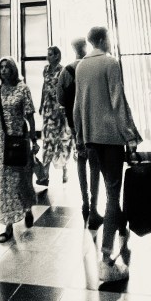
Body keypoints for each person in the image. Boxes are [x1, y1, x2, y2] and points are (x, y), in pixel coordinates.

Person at [73, 25, 142, 284]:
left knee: (108, 188)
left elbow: (78, 106)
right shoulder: (110, 63)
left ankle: (120, 228)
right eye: (109, 38)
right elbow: (118, 101)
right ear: (102, 39)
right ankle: (105, 260)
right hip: (111, 138)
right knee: (113, 193)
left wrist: (80, 137)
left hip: (90, 139)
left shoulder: (81, 66)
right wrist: (131, 136)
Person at [0, 56, 38, 243]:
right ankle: (8, 225)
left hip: (19, 138)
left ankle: (27, 207)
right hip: (2, 140)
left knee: (21, 178)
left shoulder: (23, 89)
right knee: (4, 182)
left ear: (13, 69)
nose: (4, 70)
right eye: (1, 68)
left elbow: (30, 115)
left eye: (7, 67)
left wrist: (33, 138)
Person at [57, 37, 103, 228]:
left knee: (81, 160)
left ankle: (84, 201)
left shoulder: (66, 71)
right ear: (86, 47)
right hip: (93, 121)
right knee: (95, 164)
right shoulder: (92, 67)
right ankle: (94, 205)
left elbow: (60, 98)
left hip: (75, 123)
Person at [37, 45, 74, 187]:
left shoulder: (63, 70)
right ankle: (45, 173)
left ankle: (65, 168)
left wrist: (63, 106)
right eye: (48, 54)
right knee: (47, 139)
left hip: (58, 109)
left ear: (57, 56)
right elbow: (44, 87)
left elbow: (65, 90)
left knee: (61, 140)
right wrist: (41, 103)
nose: (48, 57)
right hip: (48, 108)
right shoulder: (46, 69)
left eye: (51, 54)